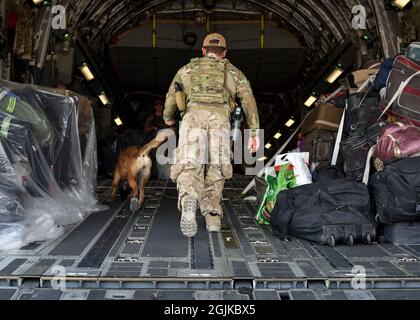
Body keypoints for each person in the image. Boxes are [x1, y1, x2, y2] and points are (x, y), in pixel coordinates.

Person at [163, 33, 260, 238]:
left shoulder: (186, 70)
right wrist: (253, 132)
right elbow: (248, 100)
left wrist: (168, 117)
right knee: (216, 166)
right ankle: (212, 216)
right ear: (224, 53)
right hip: (220, 120)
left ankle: (189, 197)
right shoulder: (234, 72)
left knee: (190, 163)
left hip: (193, 117)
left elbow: (172, 96)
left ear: (203, 50)